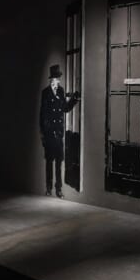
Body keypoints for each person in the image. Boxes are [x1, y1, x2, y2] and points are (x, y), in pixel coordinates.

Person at [40, 64, 80, 199]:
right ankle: (48, 187)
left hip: (58, 133)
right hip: (49, 133)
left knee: (58, 162)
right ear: (51, 80)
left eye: (58, 79)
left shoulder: (61, 91)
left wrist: (74, 99)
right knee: (49, 162)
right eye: (56, 79)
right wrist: (43, 134)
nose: (57, 81)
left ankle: (58, 189)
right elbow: (42, 114)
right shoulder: (45, 93)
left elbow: (65, 108)